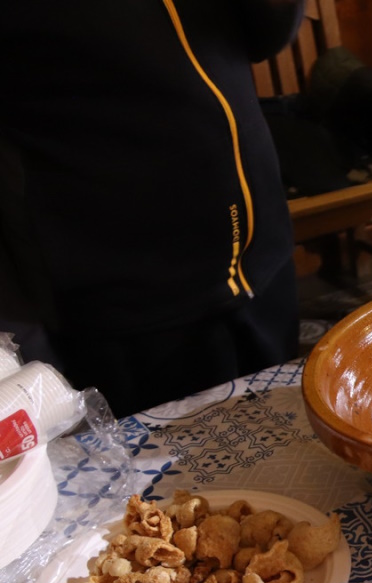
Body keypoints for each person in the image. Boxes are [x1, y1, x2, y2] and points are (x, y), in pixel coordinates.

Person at [0, 1, 305, 418]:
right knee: (173, 474)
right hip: (131, 292)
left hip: (262, 260)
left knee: (291, 434)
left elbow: (265, 34)